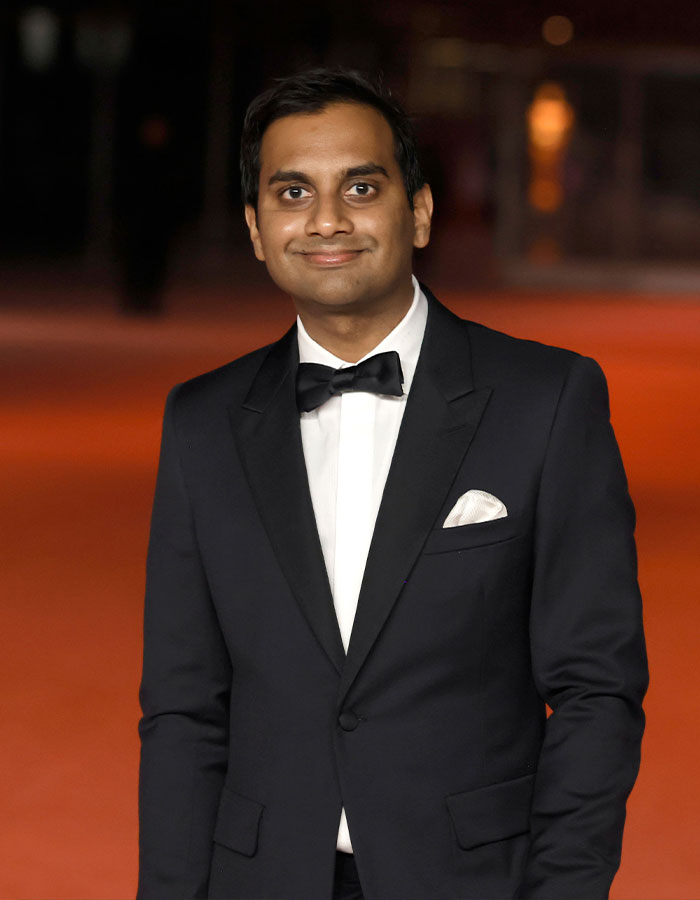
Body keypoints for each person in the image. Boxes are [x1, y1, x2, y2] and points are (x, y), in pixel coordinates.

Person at [136, 68, 648, 900]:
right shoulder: (201, 422)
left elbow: (597, 688)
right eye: (293, 191)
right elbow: (183, 712)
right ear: (257, 229)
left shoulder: (546, 400)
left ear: (419, 210)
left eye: (361, 187)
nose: (327, 220)